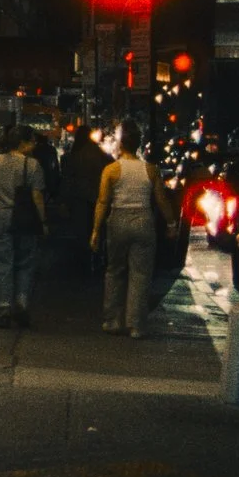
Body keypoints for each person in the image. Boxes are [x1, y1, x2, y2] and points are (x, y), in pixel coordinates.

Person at [93, 122, 173, 337]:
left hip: (118, 220)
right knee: (141, 273)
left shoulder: (111, 170)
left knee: (115, 271)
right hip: (143, 220)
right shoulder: (150, 170)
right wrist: (172, 223)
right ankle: (136, 324)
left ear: (120, 143)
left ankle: (112, 320)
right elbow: (161, 200)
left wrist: (95, 231)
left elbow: (102, 202)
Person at [0, 125, 47, 328]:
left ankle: (4, 307)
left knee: (1, 262)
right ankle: (21, 302)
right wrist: (43, 221)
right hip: (24, 217)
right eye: (32, 141)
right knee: (25, 262)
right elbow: (37, 196)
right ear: (22, 143)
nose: (34, 145)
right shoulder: (33, 165)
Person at [56, 124, 112, 274]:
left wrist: (63, 201)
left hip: (79, 198)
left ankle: (85, 261)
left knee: (82, 231)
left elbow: (67, 180)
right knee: (99, 229)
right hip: (99, 197)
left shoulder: (71, 157)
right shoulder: (102, 155)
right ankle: (99, 258)